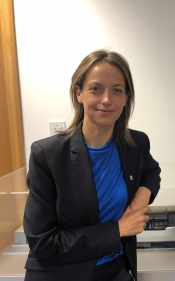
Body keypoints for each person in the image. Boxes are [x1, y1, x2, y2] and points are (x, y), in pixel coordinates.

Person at [23, 49, 161, 281]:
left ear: (126, 98)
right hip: (63, 275)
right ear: (79, 93)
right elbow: (43, 243)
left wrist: (142, 195)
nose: (106, 99)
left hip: (116, 270)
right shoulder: (47, 155)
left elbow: (151, 171)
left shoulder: (135, 144)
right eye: (96, 88)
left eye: (117, 90)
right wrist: (118, 229)